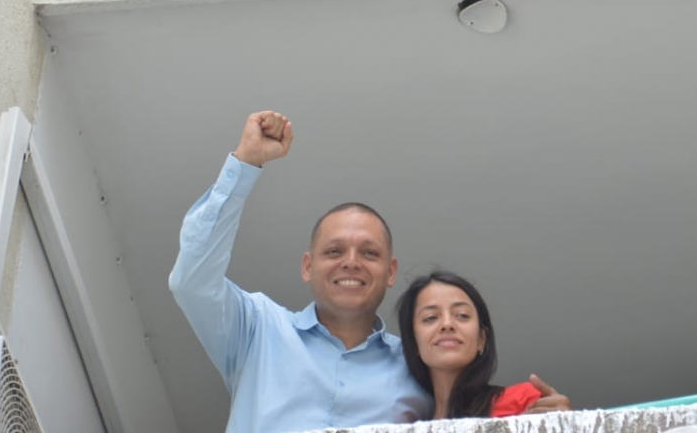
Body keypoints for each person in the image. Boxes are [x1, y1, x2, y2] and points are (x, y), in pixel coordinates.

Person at [170, 111, 570, 433]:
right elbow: (192, 279)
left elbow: (471, 410)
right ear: (307, 266)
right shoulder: (256, 328)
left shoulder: (419, 364)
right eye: (334, 251)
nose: (351, 262)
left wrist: (555, 422)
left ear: (391, 271)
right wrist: (245, 163)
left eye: (369, 253)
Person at [396, 270, 562, 419]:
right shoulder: (407, 426)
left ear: (481, 339)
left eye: (462, 315)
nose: (447, 324)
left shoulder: (525, 402)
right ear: (414, 343)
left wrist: (570, 424)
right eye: (431, 317)